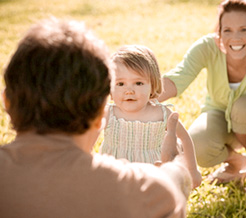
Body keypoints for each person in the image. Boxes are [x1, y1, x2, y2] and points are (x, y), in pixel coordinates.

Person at [0, 18, 193, 218]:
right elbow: (170, 187)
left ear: (6, 102)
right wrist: (177, 167)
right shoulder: (146, 193)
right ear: (102, 112)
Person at [158, 0, 246, 197]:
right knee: (196, 145)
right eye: (227, 30)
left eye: (243, 29)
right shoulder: (207, 47)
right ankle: (237, 162)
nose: (234, 38)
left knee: (245, 107)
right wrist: (141, 97)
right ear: (219, 32)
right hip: (221, 115)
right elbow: (179, 77)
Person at [100, 45, 202, 189]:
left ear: (153, 85)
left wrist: (192, 170)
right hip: (116, 173)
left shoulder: (161, 113)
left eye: (138, 83)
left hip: (154, 173)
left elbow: (185, 138)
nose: (129, 90)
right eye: (120, 83)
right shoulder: (109, 113)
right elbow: (86, 136)